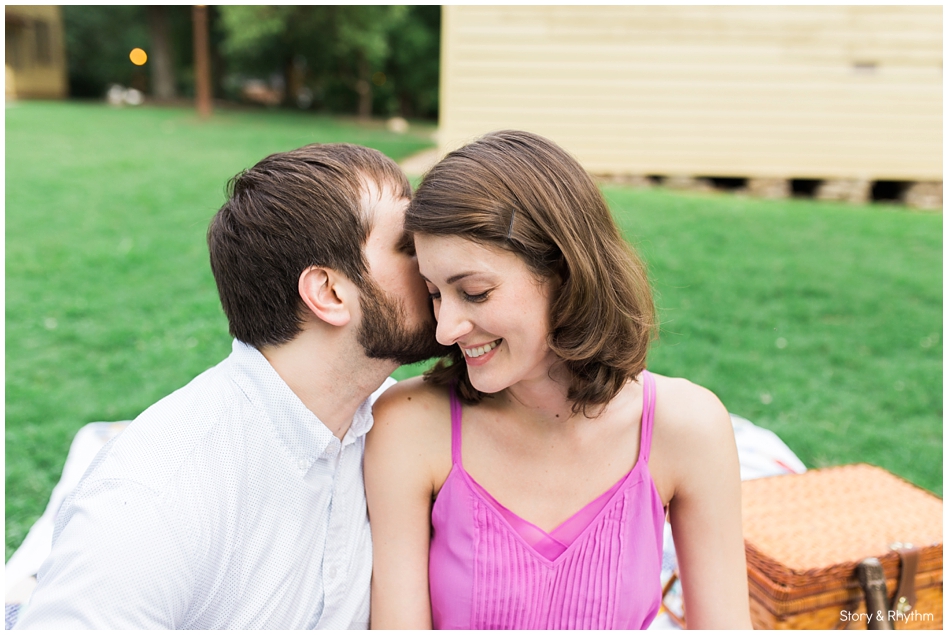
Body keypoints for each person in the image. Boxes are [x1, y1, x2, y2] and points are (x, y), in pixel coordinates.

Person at [16, 143, 446, 629]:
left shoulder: (397, 425)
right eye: (409, 248)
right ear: (329, 293)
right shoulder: (153, 501)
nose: (436, 265)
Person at [365, 130, 752, 629]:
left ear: (566, 273)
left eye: (476, 292)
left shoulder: (687, 427)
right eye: (435, 293)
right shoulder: (410, 427)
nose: (446, 329)